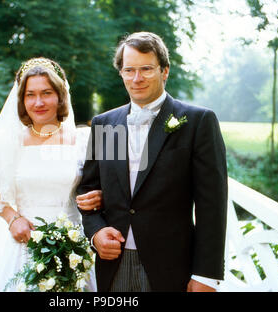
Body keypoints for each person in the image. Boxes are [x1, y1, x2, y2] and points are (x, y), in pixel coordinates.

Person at [76, 32, 228, 292]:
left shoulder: (197, 122)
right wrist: (96, 232)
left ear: (164, 71)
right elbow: (89, 190)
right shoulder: (106, 124)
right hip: (115, 261)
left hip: (172, 265)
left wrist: (206, 275)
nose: (137, 78)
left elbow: (212, 205)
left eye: (146, 69)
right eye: (129, 70)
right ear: (121, 73)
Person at [0, 57, 101, 292]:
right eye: (30, 94)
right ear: (22, 99)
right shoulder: (9, 143)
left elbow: (100, 185)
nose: (38, 102)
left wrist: (100, 197)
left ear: (60, 96)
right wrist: (12, 218)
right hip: (24, 243)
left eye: (46, 93)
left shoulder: (82, 140)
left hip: (74, 247)